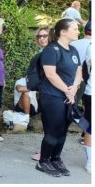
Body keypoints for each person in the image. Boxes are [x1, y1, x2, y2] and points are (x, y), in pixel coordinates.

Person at [36, 19, 84, 176]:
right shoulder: (51, 50)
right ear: (63, 32)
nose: (78, 31)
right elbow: (50, 74)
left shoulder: (73, 50)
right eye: (75, 29)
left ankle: (55, 158)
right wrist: (67, 91)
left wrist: (75, 86)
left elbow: (79, 71)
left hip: (68, 95)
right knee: (53, 129)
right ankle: (44, 161)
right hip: (52, 95)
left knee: (63, 129)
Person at [70, 23, 92, 174]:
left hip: (81, 84)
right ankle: (90, 162)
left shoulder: (76, 44)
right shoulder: (91, 46)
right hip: (85, 86)